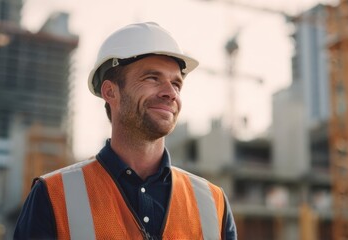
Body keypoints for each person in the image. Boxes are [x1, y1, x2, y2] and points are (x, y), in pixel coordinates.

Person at [14, 22, 237, 239]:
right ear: (110, 92)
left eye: (176, 84)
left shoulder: (213, 203)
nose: (171, 93)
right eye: (152, 78)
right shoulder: (53, 195)